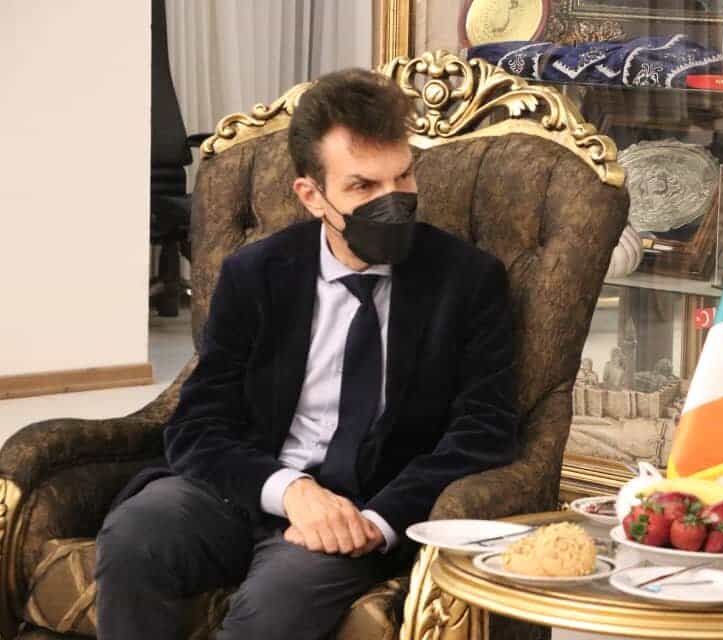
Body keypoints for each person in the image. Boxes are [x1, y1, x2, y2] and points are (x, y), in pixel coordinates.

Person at [95, 69, 519, 640]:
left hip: (360, 511)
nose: (393, 203)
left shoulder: (467, 281)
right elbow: (197, 423)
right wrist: (290, 491)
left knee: (274, 606)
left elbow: (483, 432)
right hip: (250, 487)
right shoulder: (256, 273)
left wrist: (377, 523)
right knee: (137, 532)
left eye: (402, 177)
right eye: (363, 187)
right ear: (311, 195)